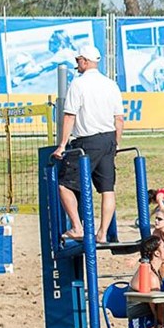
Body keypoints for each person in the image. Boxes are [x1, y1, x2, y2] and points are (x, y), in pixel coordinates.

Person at [51, 44, 124, 242]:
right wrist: (115, 144)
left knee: (64, 185)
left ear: (85, 61)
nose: (77, 64)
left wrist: (62, 145)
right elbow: (119, 119)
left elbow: (69, 116)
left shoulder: (78, 84)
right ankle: (103, 233)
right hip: (108, 139)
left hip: (87, 142)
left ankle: (77, 227)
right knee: (107, 189)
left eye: (78, 60)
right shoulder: (111, 84)